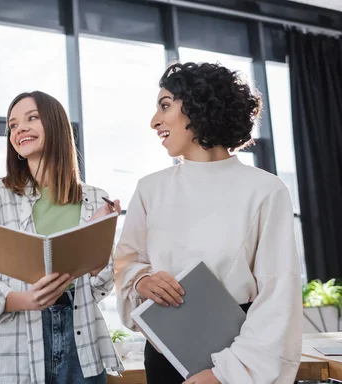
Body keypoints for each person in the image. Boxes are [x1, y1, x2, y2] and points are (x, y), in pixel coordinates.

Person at [114, 62, 302, 384]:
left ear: (200, 105)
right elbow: (126, 264)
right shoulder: (151, 188)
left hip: (238, 361)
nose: (154, 121)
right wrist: (142, 281)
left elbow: (278, 297)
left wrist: (225, 374)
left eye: (165, 105)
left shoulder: (265, 190)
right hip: (163, 356)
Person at [0, 90, 124, 383]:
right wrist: (29, 299)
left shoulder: (94, 198)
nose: (20, 129)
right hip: (18, 341)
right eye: (13, 125)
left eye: (32, 118)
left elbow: (101, 286)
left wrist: (97, 237)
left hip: (81, 342)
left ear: (55, 125)